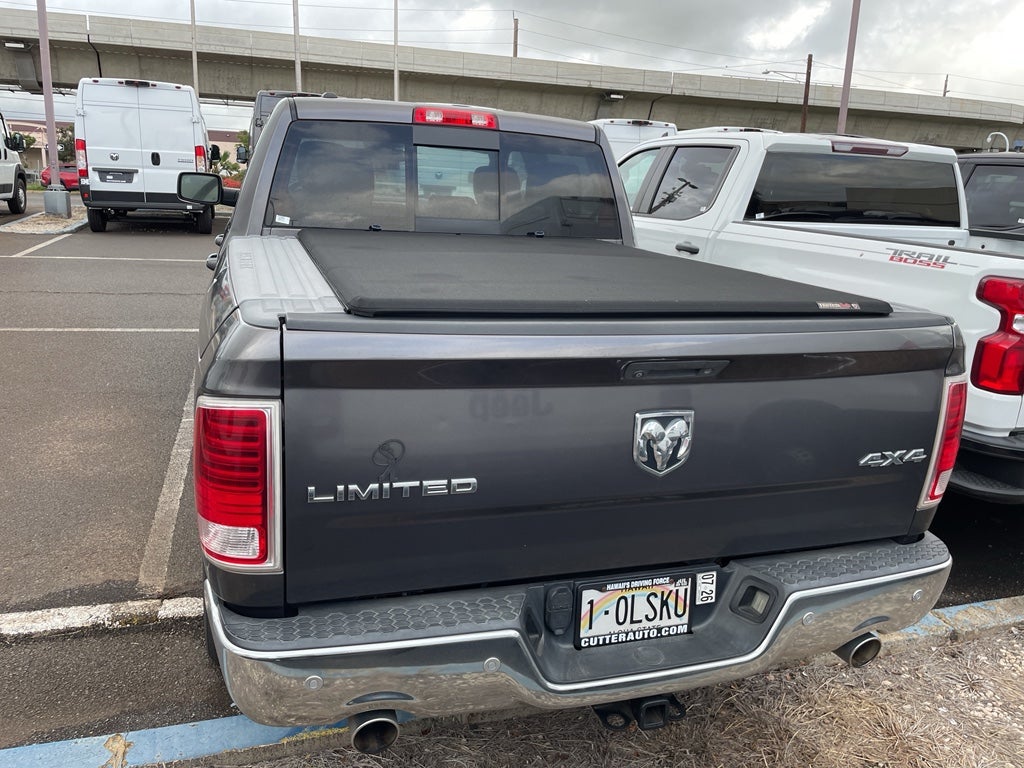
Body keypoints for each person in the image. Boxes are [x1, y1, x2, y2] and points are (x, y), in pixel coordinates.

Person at [271, 140, 377, 228]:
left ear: (334, 168)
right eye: (304, 163)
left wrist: (288, 212)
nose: (306, 169)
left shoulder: (350, 203)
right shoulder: (289, 193)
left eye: (315, 164)